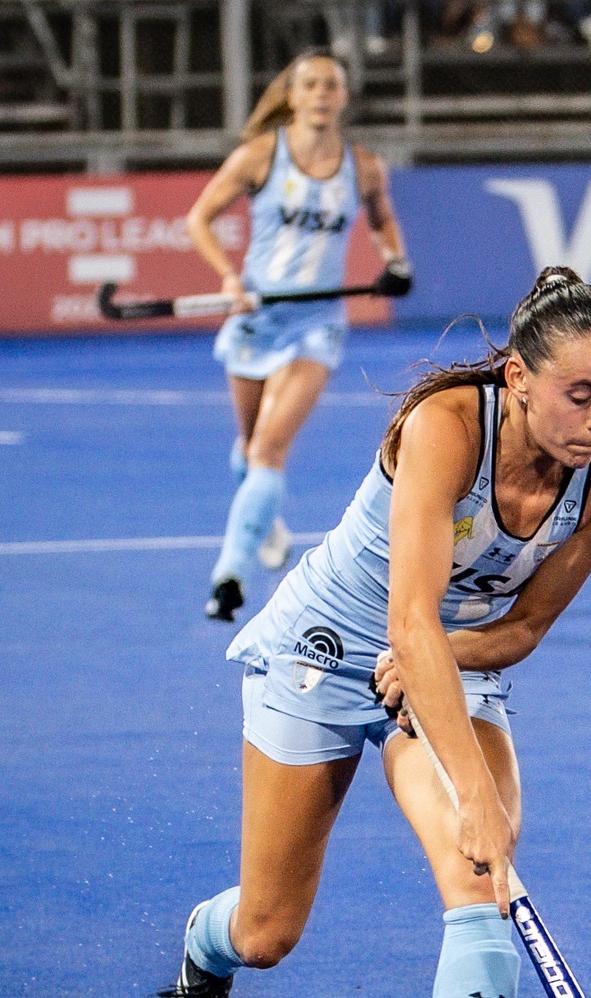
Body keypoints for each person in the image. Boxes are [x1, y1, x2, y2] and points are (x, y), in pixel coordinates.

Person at [159, 266, 591, 998]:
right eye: (580, 394)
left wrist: (453, 702)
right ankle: (204, 952)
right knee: (269, 930)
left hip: (449, 656)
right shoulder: (446, 427)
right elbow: (406, 618)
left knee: (482, 874)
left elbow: (521, 627)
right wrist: (475, 790)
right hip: (327, 645)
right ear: (519, 378)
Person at [185, 50, 411, 624]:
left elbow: (382, 218)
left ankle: (229, 576)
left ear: (344, 96)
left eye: (331, 85)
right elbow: (199, 218)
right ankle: (267, 526)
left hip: (317, 324)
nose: (321, 95)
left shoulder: (363, 167)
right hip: (258, 318)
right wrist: (229, 277)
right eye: (310, 85)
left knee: (268, 449)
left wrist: (396, 260)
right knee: (249, 449)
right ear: (291, 95)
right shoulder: (260, 156)